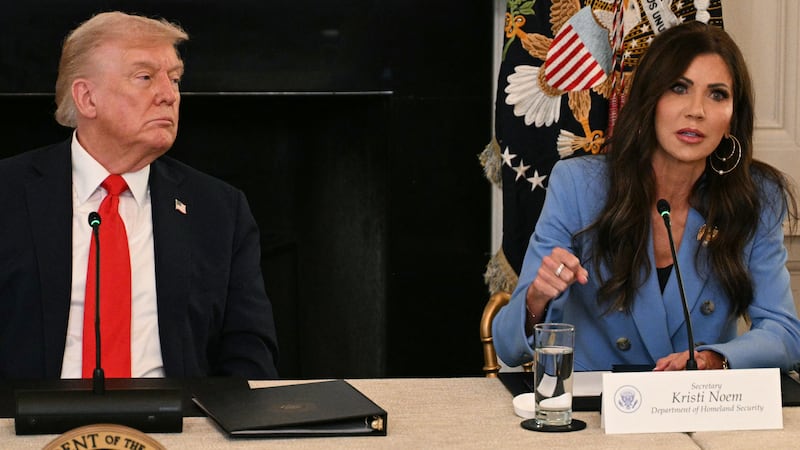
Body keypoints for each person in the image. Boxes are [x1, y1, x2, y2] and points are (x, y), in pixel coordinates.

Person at [493, 21, 800, 372]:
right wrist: (537, 298)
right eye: (679, 88)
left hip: (698, 409)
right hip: (598, 412)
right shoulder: (579, 185)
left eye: (717, 94)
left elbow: (785, 334)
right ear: (649, 101)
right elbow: (508, 346)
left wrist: (716, 359)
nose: (696, 110)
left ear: (732, 118)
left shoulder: (757, 196)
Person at [0, 12, 279, 379]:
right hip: (28, 428)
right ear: (87, 98)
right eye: (145, 77)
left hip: (176, 427)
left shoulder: (220, 209)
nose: (168, 95)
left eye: (175, 79)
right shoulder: (8, 193)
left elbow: (250, 354)